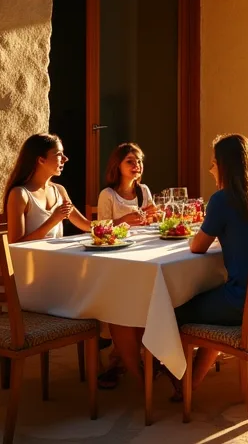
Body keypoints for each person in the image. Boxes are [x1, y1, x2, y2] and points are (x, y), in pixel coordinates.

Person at [171, 134, 248, 397]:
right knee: (216, 298)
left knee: (173, 309)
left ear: (226, 166)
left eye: (214, 163)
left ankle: (182, 378)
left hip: (243, 305)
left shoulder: (223, 199)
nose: (211, 169)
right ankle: (191, 380)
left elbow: (197, 246)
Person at [94, 143, 158, 389]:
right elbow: (100, 232)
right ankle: (120, 358)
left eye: (139, 161)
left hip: (141, 254)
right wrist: (123, 221)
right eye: (130, 161)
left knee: (144, 296)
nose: (136, 166)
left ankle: (122, 358)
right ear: (117, 166)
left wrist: (154, 216)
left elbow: (150, 224)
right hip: (115, 258)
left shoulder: (143, 191)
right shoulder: (108, 195)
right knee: (125, 300)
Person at [3, 133, 95, 241]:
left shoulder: (60, 191)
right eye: (59, 154)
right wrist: (54, 219)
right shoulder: (20, 194)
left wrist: (113, 227)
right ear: (41, 160)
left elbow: (85, 225)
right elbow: (15, 243)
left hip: (55, 256)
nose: (65, 159)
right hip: (30, 257)